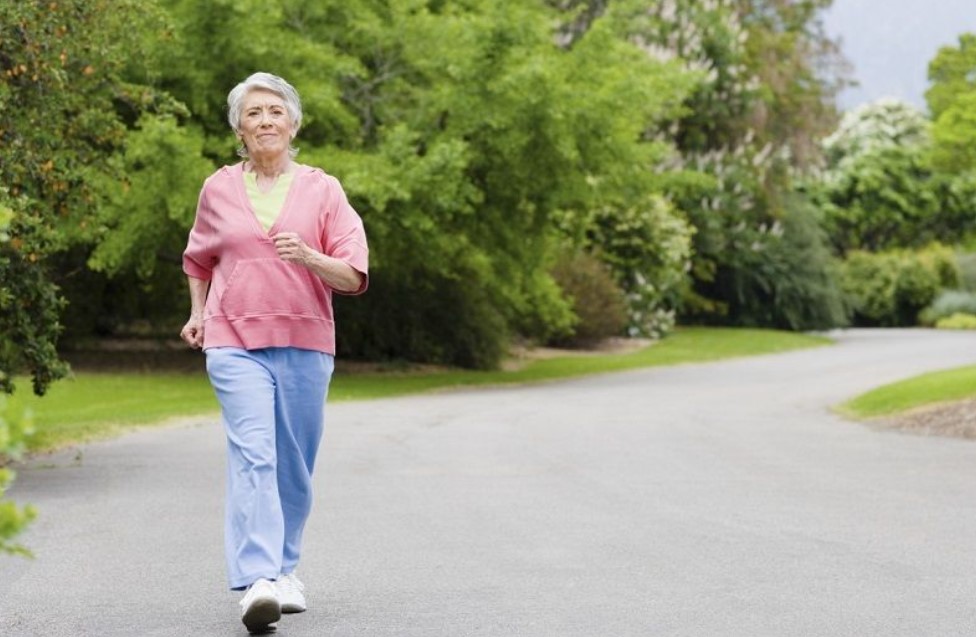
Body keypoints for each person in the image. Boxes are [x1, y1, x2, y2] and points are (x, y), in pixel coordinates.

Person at [179, 72, 368, 633]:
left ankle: (286, 570)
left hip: (306, 341)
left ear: (294, 123)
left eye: (275, 111)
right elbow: (198, 259)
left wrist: (309, 256)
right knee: (254, 454)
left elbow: (355, 274)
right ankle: (257, 579)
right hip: (233, 339)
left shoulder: (323, 190)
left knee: (295, 465)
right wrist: (197, 313)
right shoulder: (217, 189)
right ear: (239, 127)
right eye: (254, 112)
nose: (265, 121)